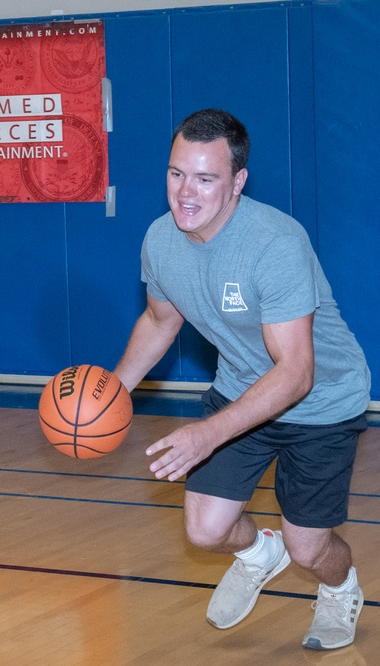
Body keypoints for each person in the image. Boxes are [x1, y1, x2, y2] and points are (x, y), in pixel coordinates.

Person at [113, 108, 370, 651]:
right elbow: (162, 320)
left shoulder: (275, 243)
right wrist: (113, 391)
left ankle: (340, 587)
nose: (186, 192)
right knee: (205, 530)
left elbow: (297, 374)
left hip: (320, 403)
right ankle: (259, 554)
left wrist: (206, 434)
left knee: (309, 548)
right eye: (177, 173)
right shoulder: (161, 240)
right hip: (241, 388)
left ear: (238, 183)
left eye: (206, 179)